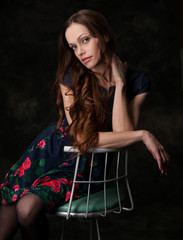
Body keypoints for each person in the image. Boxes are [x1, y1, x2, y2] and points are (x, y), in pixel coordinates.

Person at [0, 9, 170, 240]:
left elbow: (122, 136)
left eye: (85, 40)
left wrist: (119, 84)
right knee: (8, 219)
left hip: (85, 168)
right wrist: (143, 134)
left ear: (105, 36)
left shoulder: (138, 82)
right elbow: (82, 138)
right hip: (47, 153)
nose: (79, 52)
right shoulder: (71, 78)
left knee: (27, 210)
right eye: (73, 46)